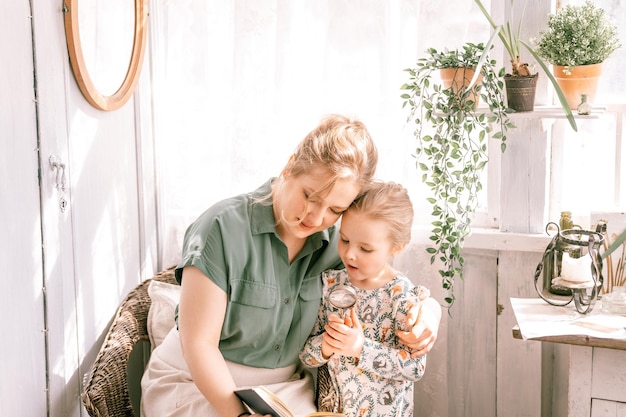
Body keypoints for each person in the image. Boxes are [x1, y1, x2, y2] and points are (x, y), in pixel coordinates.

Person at [140, 114, 441, 417]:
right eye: (310, 195)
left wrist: (429, 314)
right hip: (196, 383)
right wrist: (241, 415)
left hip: (284, 392)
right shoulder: (220, 228)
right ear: (290, 165)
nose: (315, 217)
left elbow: (386, 281)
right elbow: (199, 344)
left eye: (335, 209)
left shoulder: (340, 245)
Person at [299, 181, 429, 417]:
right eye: (345, 240)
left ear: (397, 247)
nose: (350, 254)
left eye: (365, 249)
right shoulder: (330, 284)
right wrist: (326, 347)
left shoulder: (401, 297)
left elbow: (415, 367)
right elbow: (307, 355)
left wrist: (361, 348)